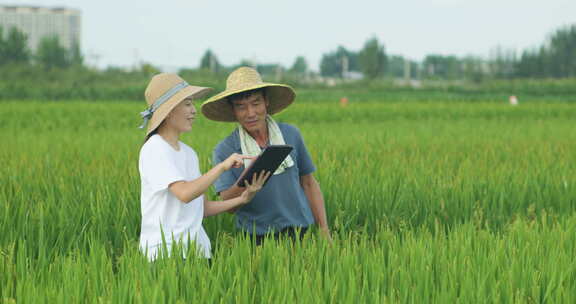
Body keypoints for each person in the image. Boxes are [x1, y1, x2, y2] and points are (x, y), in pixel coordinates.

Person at [137, 73, 270, 260]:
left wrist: (242, 200)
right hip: (166, 254)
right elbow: (184, 193)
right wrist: (222, 167)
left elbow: (202, 207)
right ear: (168, 111)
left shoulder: (188, 153)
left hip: (197, 252)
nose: (193, 111)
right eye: (188, 104)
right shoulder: (155, 148)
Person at [201, 67, 331, 245]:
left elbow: (308, 183)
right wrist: (247, 189)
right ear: (233, 111)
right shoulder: (226, 150)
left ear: (266, 102)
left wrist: (324, 229)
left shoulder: (290, 134)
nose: (251, 113)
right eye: (241, 107)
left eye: (256, 103)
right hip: (256, 239)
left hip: (302, 233)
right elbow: (228, 204)